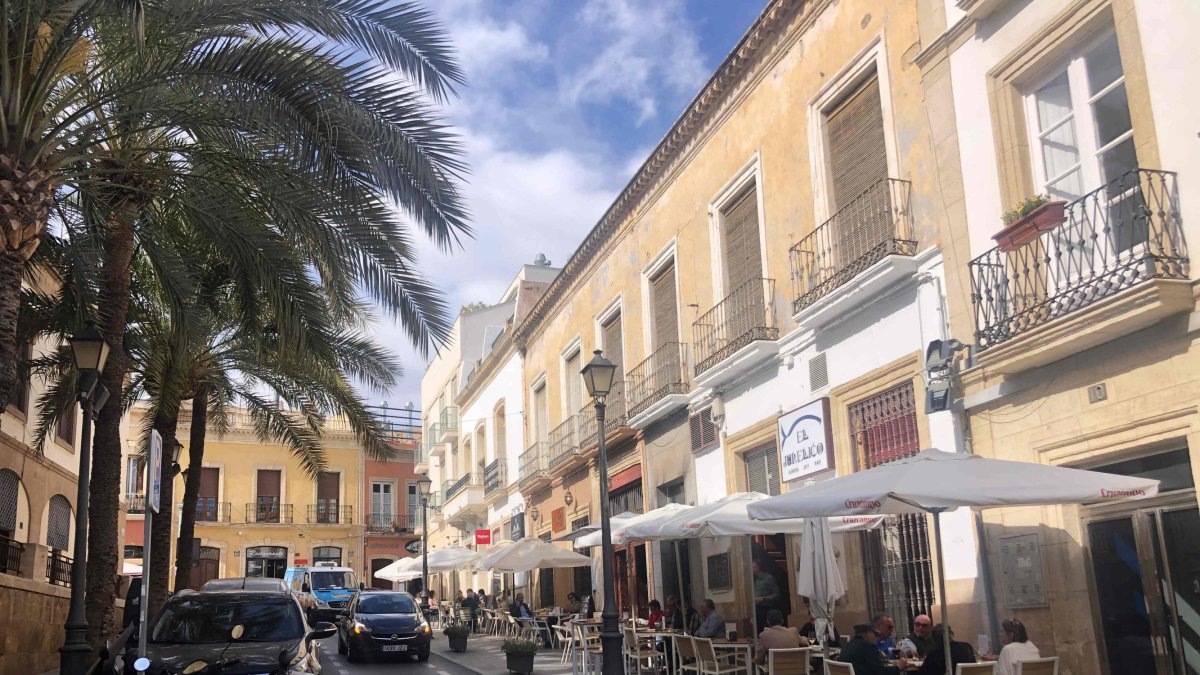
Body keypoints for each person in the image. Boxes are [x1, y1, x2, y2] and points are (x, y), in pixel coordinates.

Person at [841, 624, 905, 675]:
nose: (877, 638)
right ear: (868, 633)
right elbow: (882, 673)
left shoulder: (847, 645)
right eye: (876, 634)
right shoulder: (868, 647)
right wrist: (899, 667)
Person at [753, 560, 782, 636]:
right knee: (758, 630)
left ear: (758, 567)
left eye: (753, 566)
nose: (751, 569)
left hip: (767, 608)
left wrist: (763, 598)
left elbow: (777, 594)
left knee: (767, 630)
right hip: (758, 608)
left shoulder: (769, 578)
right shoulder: (756, 580)